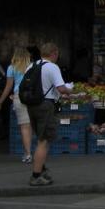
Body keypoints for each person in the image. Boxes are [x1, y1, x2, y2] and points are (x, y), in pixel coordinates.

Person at [27, 42, 73, 186]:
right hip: (45, 106)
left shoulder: (32, 66)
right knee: (44, 141)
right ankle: (36, 176)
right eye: (57, 54)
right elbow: (61, 88)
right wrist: (70, 89)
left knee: (40, 138)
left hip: (32, 105)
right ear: (54, 53)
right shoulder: (52, 67)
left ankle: (41, 168)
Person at [0, 48, 33, 163]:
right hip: (33, 98)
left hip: (19, 97)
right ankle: (37, 151)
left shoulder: (12, 68)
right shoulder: (33, 66)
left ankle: (28, 154)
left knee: (24, 127)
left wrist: (0, 101)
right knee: (32, 126)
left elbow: (8, 86)